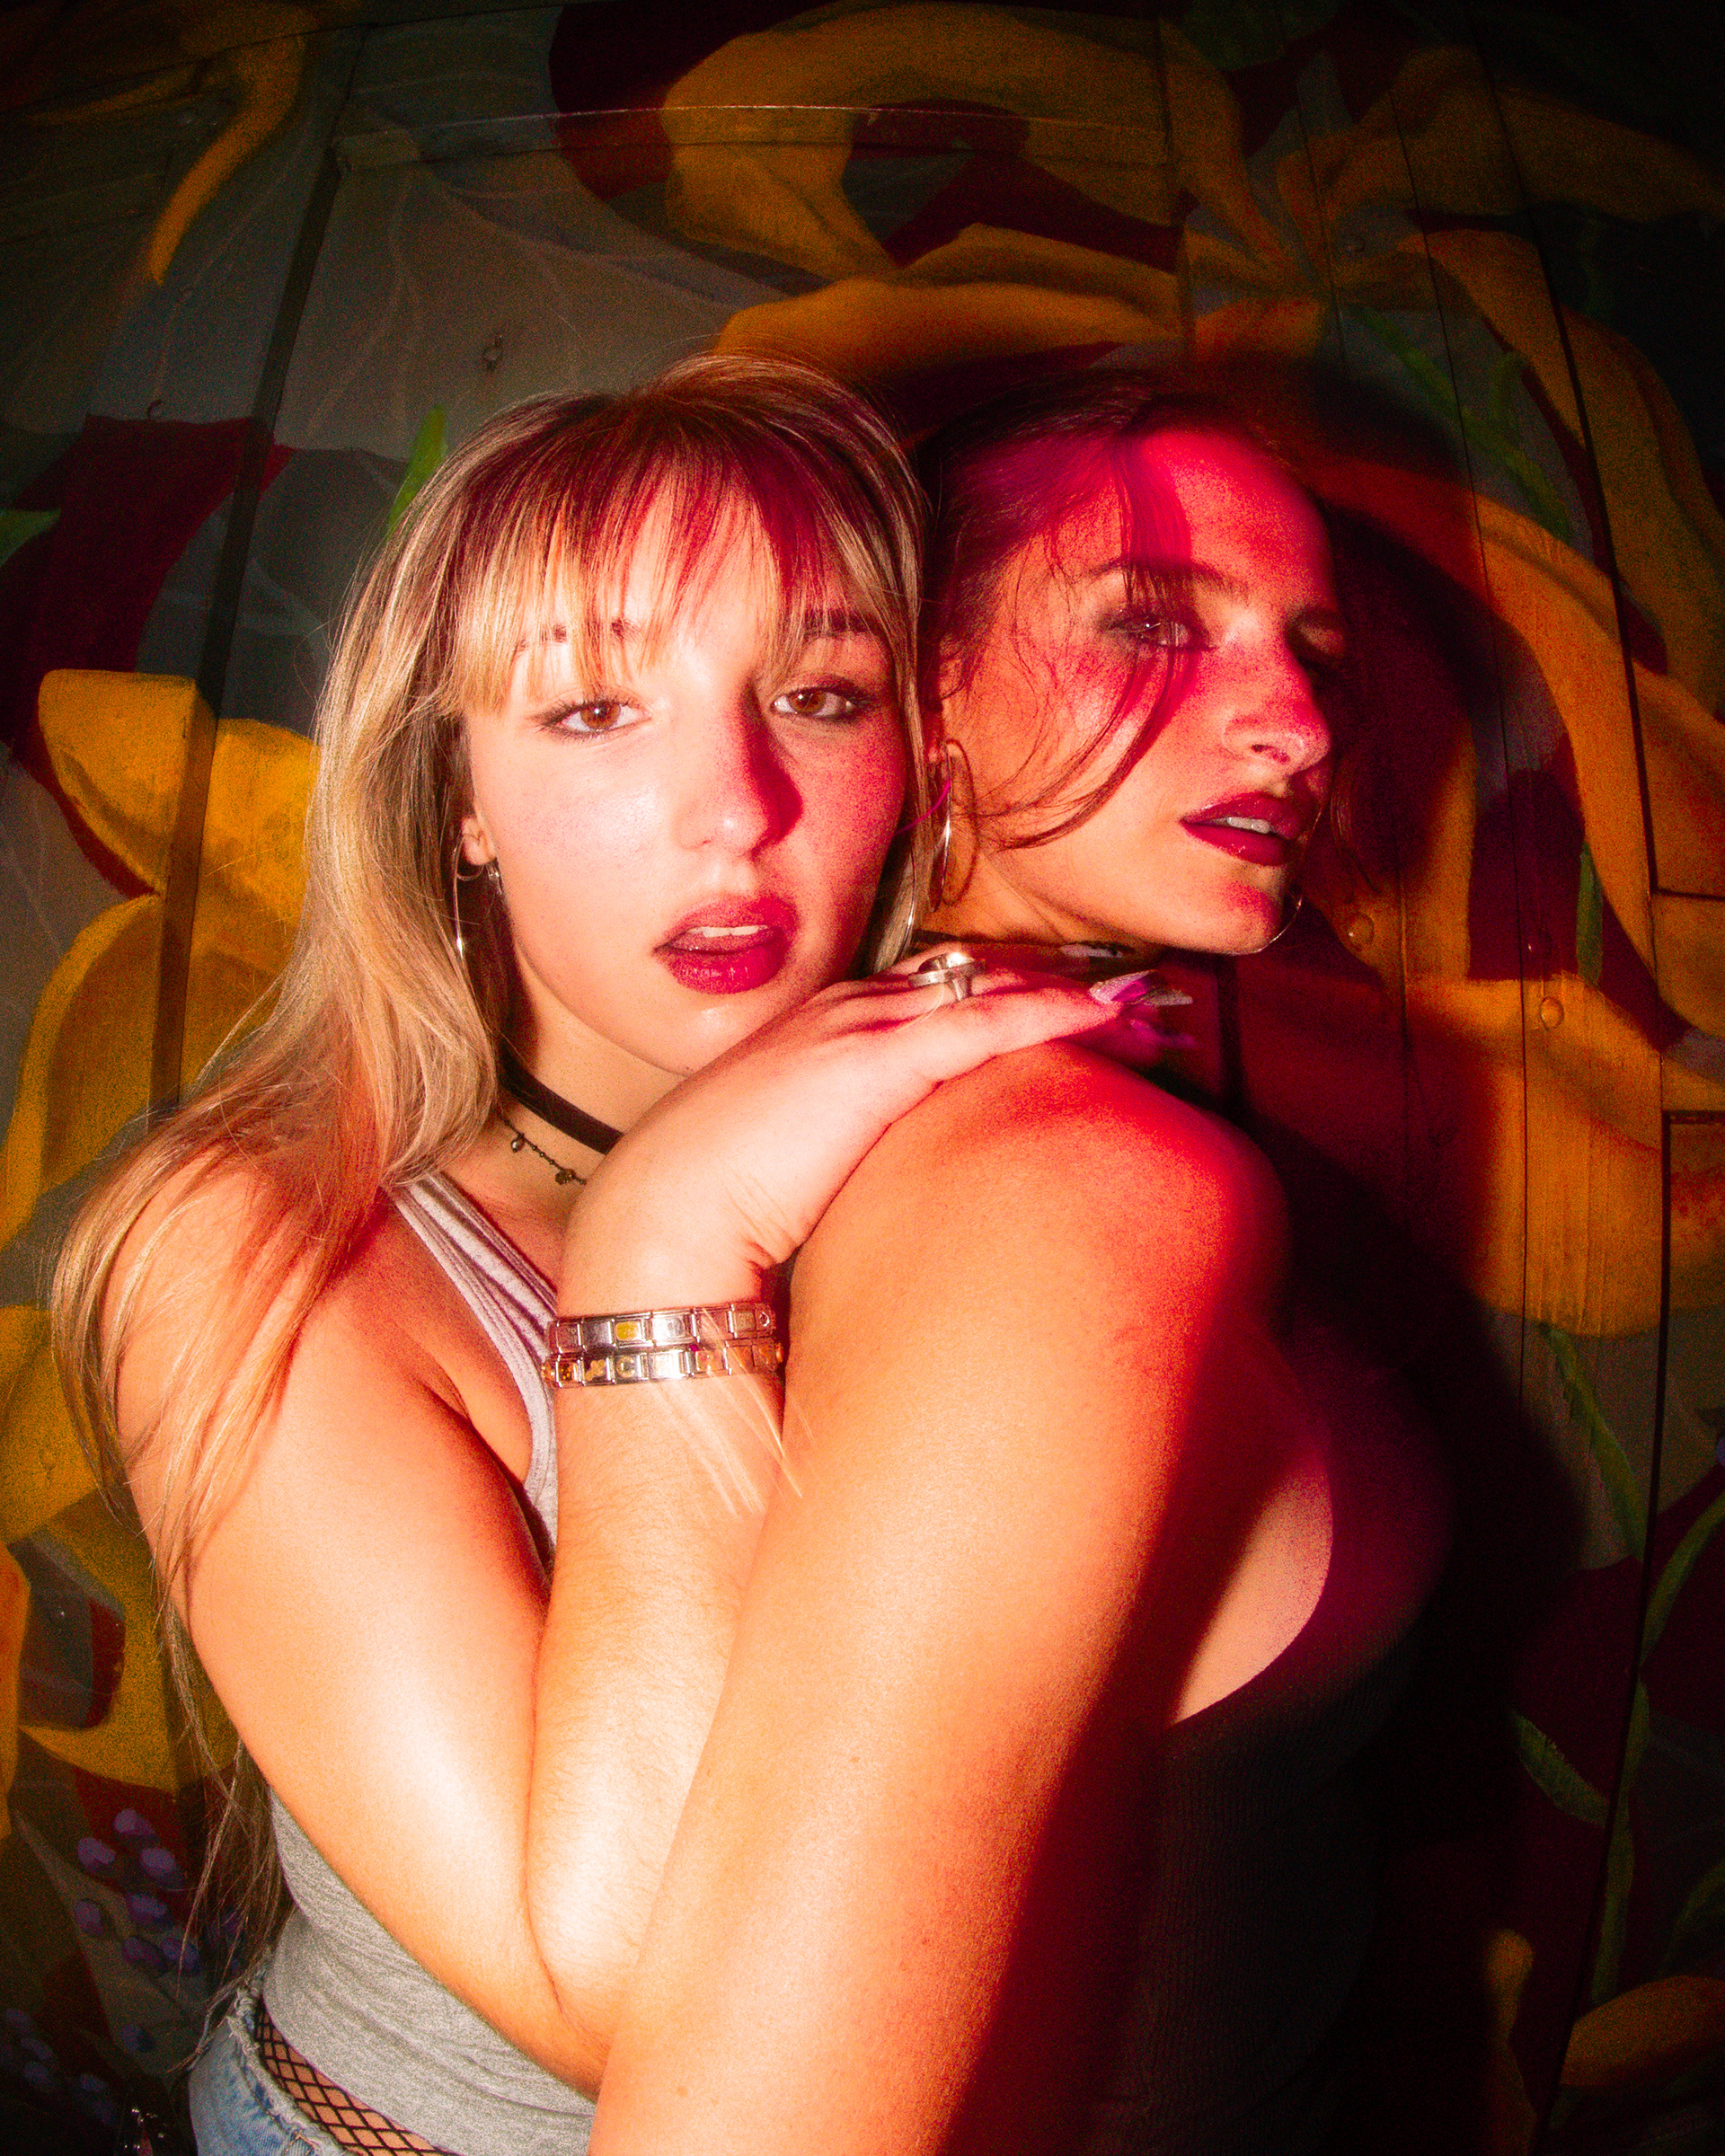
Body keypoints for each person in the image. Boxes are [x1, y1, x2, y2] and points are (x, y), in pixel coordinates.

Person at [50, 357, 1133, 2156]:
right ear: (456, 796)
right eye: (594, 710)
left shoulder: (960, 1166)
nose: (734, 806)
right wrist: (665, 1245)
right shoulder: (255, 1246)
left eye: (819, 694)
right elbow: (637, 2019)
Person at [544, 373, 1451, 2156]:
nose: (1294, 722)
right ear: (926, 686)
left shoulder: (1003, 1110)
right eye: (1154, 627)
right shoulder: (1063, 1189)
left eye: (1313, 650)